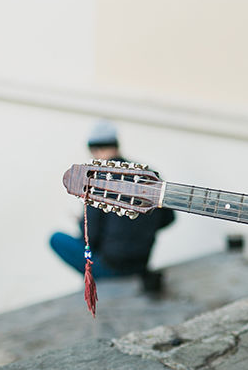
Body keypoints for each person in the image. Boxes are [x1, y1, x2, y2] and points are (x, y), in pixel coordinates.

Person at [49, 120, 175, 293]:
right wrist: (139, 228)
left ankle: (96, 284)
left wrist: (81, 222)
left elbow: (90, 238)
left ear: (95, 150)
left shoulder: (97, 180)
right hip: (141, 263)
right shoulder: (150, 174)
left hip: (113, 267)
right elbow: (169, 218)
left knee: (56, 238)